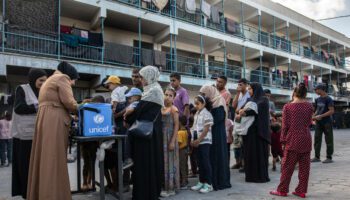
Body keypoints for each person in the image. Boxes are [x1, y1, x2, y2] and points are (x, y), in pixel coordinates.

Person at [27, 61, 79, 200]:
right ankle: (54, 195)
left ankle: (42, 193)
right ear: (70, 75)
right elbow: (69, 102)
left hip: (46, 119)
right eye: (74, 79)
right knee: (54, 159)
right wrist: (82, 108)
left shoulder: (49, 80)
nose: (73, 83)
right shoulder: (62, 78)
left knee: (45, 157)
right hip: (55, 120)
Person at [125, 65, 164, 200]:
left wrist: (128, 114)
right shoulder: (151, 90)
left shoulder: (153, 92)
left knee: (145, 166)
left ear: (149, 76)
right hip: (148, 135)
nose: (140, 79)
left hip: (146, 137)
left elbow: (136, 114)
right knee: (147, 166)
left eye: (142, 76)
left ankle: (145, 195)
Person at [270, 83, 314, 198]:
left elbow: (284, 126)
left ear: (294, 93)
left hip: (292, 139)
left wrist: (283, 141)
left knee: (287, 167)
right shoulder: (309, 106)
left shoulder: (288, 107)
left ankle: (282, 190)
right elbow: (310, 123)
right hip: (306, 138)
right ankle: (301, 191)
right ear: (305, 94)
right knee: (304, 168)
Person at [11, 68, 47, 199]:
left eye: (45, 81)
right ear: (33, 79)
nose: (43, 83)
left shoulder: (43, 92)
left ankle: (36, 190)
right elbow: (19, 107)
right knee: (25, 166)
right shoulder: (22, 89)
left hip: (37, 135)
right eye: (41, 80)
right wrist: (40, 107)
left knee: (36, 166)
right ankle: (27, 193)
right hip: (24, 136)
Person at [236, 82, 270, 183]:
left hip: (259, 132)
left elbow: (256, 111)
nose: (249, 91)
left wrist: (245, 112)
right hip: (249, 132)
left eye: (250, 89)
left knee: (258, 154)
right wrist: (242, 111)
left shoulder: (263, 100)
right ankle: (251, 176)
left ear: (256, 89)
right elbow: (239, 109)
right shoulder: (249, 99)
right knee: (250, 154)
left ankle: (260, 176)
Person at [200, 85, 231, 190]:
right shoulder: (210, 103)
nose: (203, 96)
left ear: (210, 92)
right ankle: (208, 180)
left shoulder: (219, 101)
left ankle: (218, 181)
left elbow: (218, 118)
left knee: (217, 156)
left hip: (217, 134)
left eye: (204, 94)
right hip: (210, 133)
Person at [190, 95, 214, 193]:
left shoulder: (207, 114)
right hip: (197, 140)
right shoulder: (196, 114)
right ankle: (201, 181)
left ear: (203, 104)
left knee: (205, 162)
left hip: (204, 141)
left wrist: (199, 140)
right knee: (199, 162)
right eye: (195, 103)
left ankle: (208, 184)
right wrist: (192, 140)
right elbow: (194, 128)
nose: (196, 106)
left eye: (198, 104)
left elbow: (206, 129)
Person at [81, 96, 105, 191]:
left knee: (92, 162)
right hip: (85, 139)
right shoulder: (84, 109)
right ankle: (84, 183)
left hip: (94, 140)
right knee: (86, 162)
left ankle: (90, 182)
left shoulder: (99, 111)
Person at [160, 87, 180, 197]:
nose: (167, 97)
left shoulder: (174, 109)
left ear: (174, 98)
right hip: (161, 138)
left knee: (170, 162)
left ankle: (171, 187)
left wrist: (172, 141)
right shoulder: (160, 108)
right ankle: (163, 186)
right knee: (163, 162)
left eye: (170, 95)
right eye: (166, 94)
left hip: (170, 137)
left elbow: (177, 125)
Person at [311, 84, 335, 163]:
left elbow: (331, 111)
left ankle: (329, 157)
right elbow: (317, 110)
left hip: (327, 122)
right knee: (317, 139)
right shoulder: (317, 99)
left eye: (316, 89)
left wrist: (321, 115)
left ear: (321, 89)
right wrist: (313, 116)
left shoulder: (329, 99)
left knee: (329, 140)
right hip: (319, 122)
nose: (315, 91)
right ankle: (317, 157)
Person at [231, 78, 250, 170]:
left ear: (246, 85)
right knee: (236, 142)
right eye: (238, 84)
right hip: (237, 120)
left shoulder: (249, 94)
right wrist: (238, 93)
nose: (239, 86)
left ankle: (244, 163)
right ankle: (238, 162)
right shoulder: (238, 95)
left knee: (243, 142)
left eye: (241, 84)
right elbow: (233, 106)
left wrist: (240, 110)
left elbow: (247, 106)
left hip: (244, 120)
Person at [178, 116, 189, 189]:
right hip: (185, 150)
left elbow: (179, 143)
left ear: (180, 123)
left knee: (181, 166)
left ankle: (183, 182)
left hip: (181, 151)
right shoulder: (186, 131)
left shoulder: (179, 133)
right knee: (185, 165)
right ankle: (186, 179)